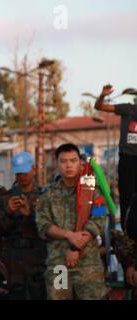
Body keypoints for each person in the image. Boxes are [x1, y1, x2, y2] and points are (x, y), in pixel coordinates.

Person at [36, 143, 109, 300]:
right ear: (56, 164)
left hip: (88, 265)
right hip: (59, 265)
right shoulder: (47, 195)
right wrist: (69, 235)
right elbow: (43, 225)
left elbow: (99, 220)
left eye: (73, 160)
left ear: (80, 163)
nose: (68, 165)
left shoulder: (94, 192)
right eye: (63, 161)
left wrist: (75, 246)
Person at [0, 152, 46, 300]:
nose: (21, 176)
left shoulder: (44, 196)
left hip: (38, 257)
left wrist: (30, 213)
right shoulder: (6, 197)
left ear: (34, 169)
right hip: (14, 259)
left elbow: (49, 227)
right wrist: (8, 211)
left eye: (25, 172)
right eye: (18, 173)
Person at [94, 84, 137, 226]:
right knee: (126, 197)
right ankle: (126, 233)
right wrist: (102, 95)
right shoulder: (128, 109)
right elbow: (99, 107)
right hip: (128, 159)